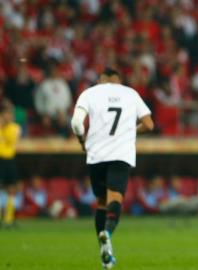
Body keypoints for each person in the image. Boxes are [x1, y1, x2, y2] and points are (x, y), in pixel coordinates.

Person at [71, 68, 154, 269]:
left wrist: (82, 140)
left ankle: (104, 255)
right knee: (114, 199)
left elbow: (76, 123)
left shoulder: (89, 93)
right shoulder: (130, 93)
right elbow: (149, 124)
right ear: (119, 80)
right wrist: (131, 131)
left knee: (100, 202)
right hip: (120, 154)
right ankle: (107, 233)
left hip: (96, 155)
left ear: (100, 80)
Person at [0, 100, 22, 228]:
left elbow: (11, 140)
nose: (10, 116)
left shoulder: (15, 128)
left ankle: (8, 218)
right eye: (8, 113)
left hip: (9, 159)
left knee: (12, 189)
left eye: (11, 113)